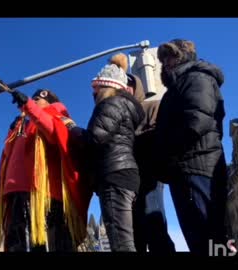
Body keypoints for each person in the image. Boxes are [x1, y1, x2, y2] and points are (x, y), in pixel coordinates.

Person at [0, 89, 92, 252]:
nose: (34, 100)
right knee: (18, 243)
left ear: (49, 102)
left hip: (45, 194)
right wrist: (13, 130)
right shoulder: (25, 122)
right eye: (33, 98)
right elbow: (8, 154)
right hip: (16, 191)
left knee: (47, 243)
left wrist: (29, 106)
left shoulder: (57, 116)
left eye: (38, 99)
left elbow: (54, 132)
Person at [155, 39, 228, 254]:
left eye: (170, 56)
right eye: (162, 59)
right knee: (199, 240)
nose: (165, 63)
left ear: (183, 56)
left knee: (207, 238)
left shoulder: (196, 78)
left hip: (196, 168)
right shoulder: (178, 86)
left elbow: (197, 120)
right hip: (186, 169)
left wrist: (168, 157)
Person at [72, 53, 145, 251]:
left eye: (96, 89)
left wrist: (73, 129)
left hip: (114, 175)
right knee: (125, 237)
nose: (93, 94)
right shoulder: (125, 107)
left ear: (106, 87)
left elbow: (94, 138)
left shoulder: (110, 105)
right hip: (125, 175)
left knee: (121, 242)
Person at [127, 73, 175, 254]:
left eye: (128, 84)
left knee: (155, 229)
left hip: (150, 177)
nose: (124, 88)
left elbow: (159, 136)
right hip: (127, 181)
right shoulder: (118, 116)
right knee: (134, 235)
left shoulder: (152, 106)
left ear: (136, 87)